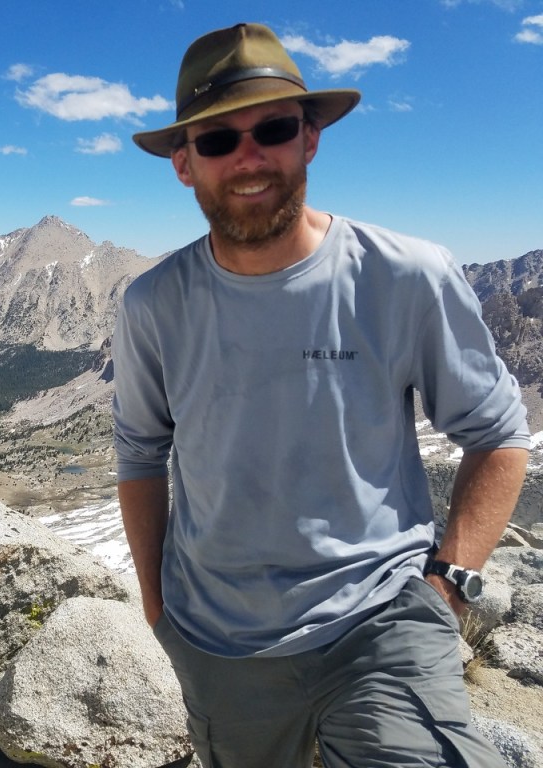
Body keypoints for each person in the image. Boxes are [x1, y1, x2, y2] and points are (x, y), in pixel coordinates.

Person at [112, 22, 530, 768]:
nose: (248, 157)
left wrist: (449, 587)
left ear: (309, 139)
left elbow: (498, 433)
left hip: (382, 623)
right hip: (218, 644)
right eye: (216, 140)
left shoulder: (407, 275)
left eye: (273, 128)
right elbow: (141, 454)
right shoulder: (152, 304)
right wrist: (157, 608)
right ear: (183, 163)